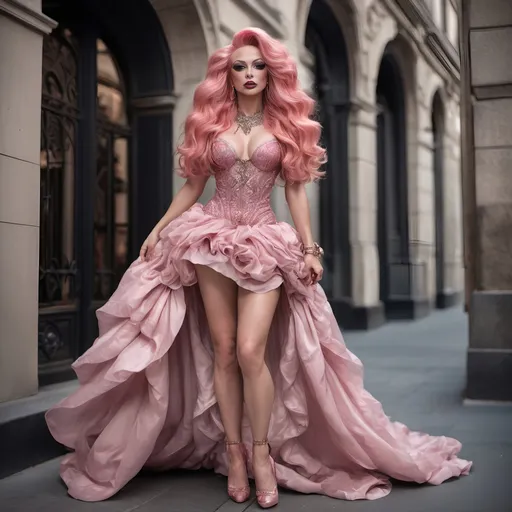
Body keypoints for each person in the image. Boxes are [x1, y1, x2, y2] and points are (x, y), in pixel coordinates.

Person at [45, 27, 471, 508]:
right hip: (211, 238)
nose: (249, 74)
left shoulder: (285, 126)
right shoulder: (210, 124)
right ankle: (233, 453)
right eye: (240, 66)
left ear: (272, 73)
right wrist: (157, 229)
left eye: (258, 66)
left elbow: (294, 192)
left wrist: (310, 249)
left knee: (252, 349)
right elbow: (192, 188)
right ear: (227, 74)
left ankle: (262, 453)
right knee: (224, 350)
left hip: (266, 241)